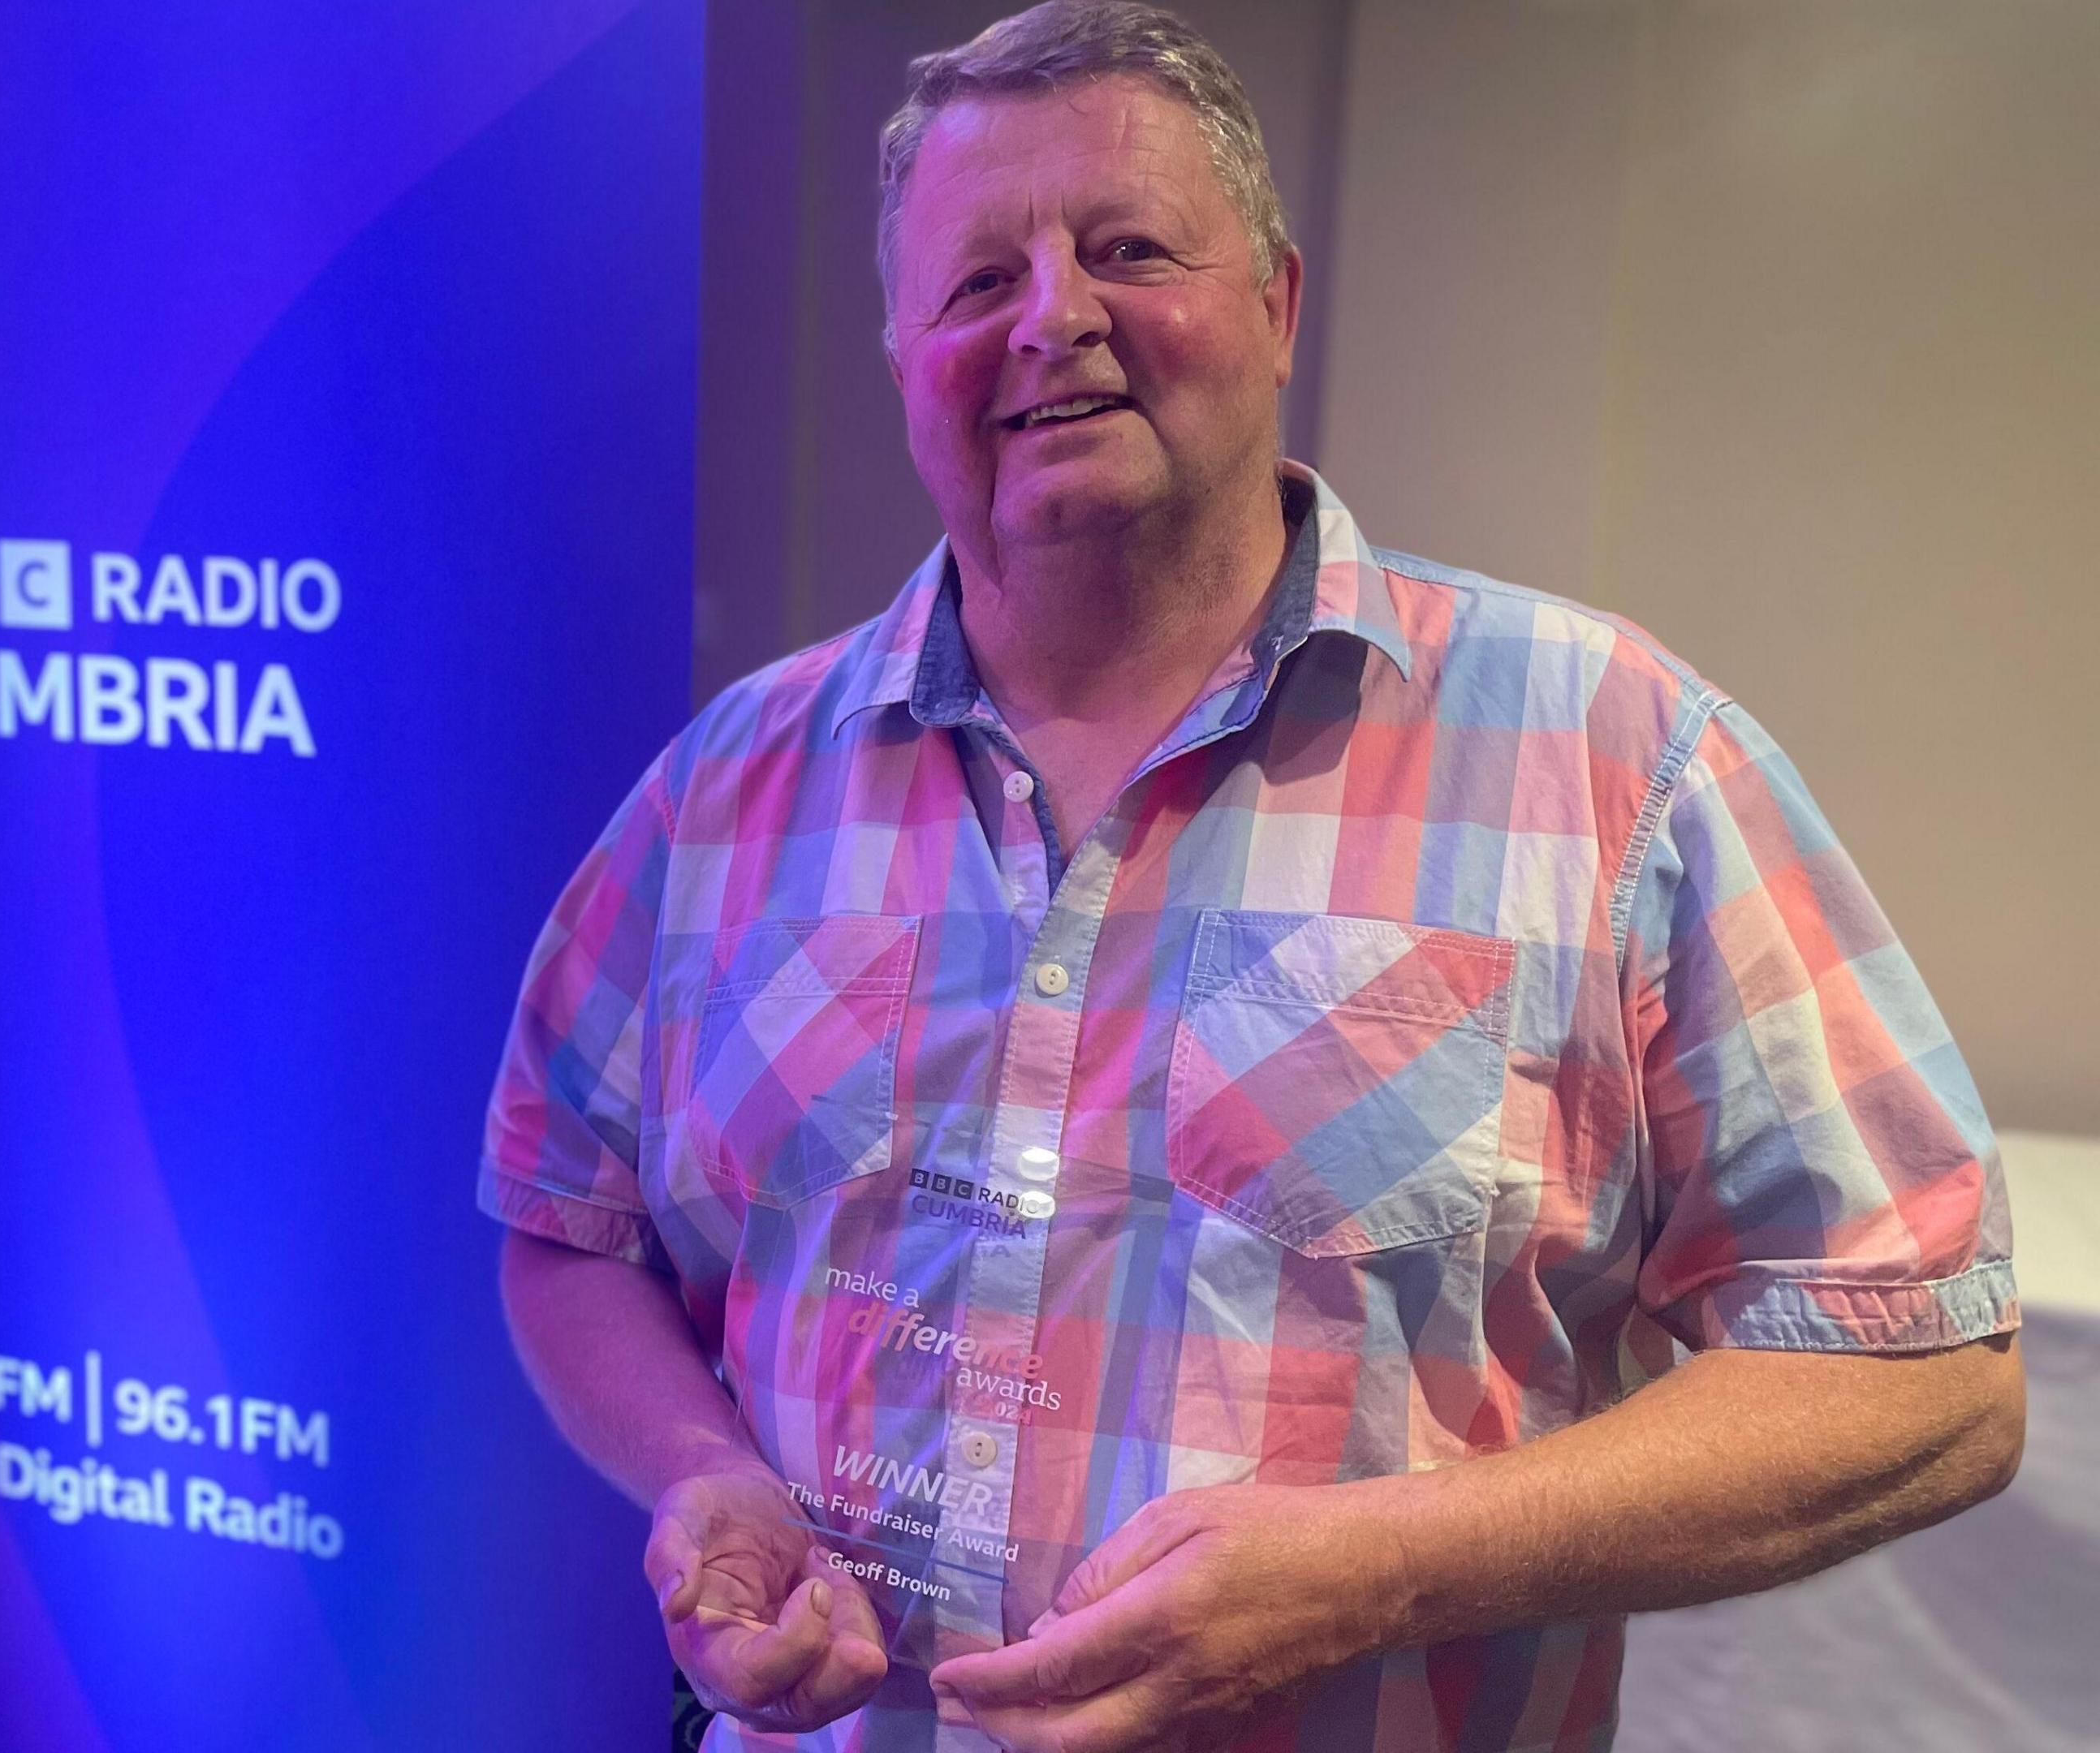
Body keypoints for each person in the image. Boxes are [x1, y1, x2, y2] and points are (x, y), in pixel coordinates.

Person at [479, 3, 2029, 1749]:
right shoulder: (731, 789)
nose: (1053, 318)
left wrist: (1386, 1568)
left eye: (1129, 249)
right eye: (978, 284)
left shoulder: (1611, 756)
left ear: (1280, 306)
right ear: (903, 353)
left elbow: (1926, 1371)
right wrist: (701, 1475)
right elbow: (564, 1222)